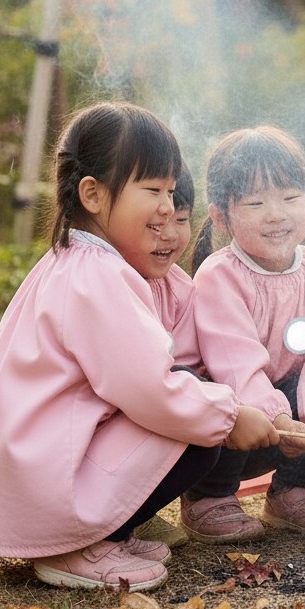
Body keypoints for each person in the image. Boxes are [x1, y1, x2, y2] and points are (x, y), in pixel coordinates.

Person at [0, 102, 278, 592]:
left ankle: (106, 532)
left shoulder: (79, 263)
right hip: (50, 486)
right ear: (93, 195)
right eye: (152, 190)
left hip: (41, 472)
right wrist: (230, 414)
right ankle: (76, 548)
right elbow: (149, 388)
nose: (166, 206)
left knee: (196, 409)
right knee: (196, 424)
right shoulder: (96, 277)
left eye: (171, 191)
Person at [181, 126, 305, 541]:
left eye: (289, 198)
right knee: (217, 392)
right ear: (220, 216)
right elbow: (234, 361)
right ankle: (208, 498)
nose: (276, 213)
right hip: (237, 423)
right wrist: (276, 416)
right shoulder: (219, 275)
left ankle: (295, 490)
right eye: (255, 202)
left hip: (294, 431)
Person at [133, 162, 199, 548]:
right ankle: (126, 515)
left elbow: (188, 359)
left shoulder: (181, 288)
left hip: (165, 399)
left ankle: (140, 512)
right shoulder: (114, 280)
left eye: (182, 220)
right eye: (156, 226)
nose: (170, 236)